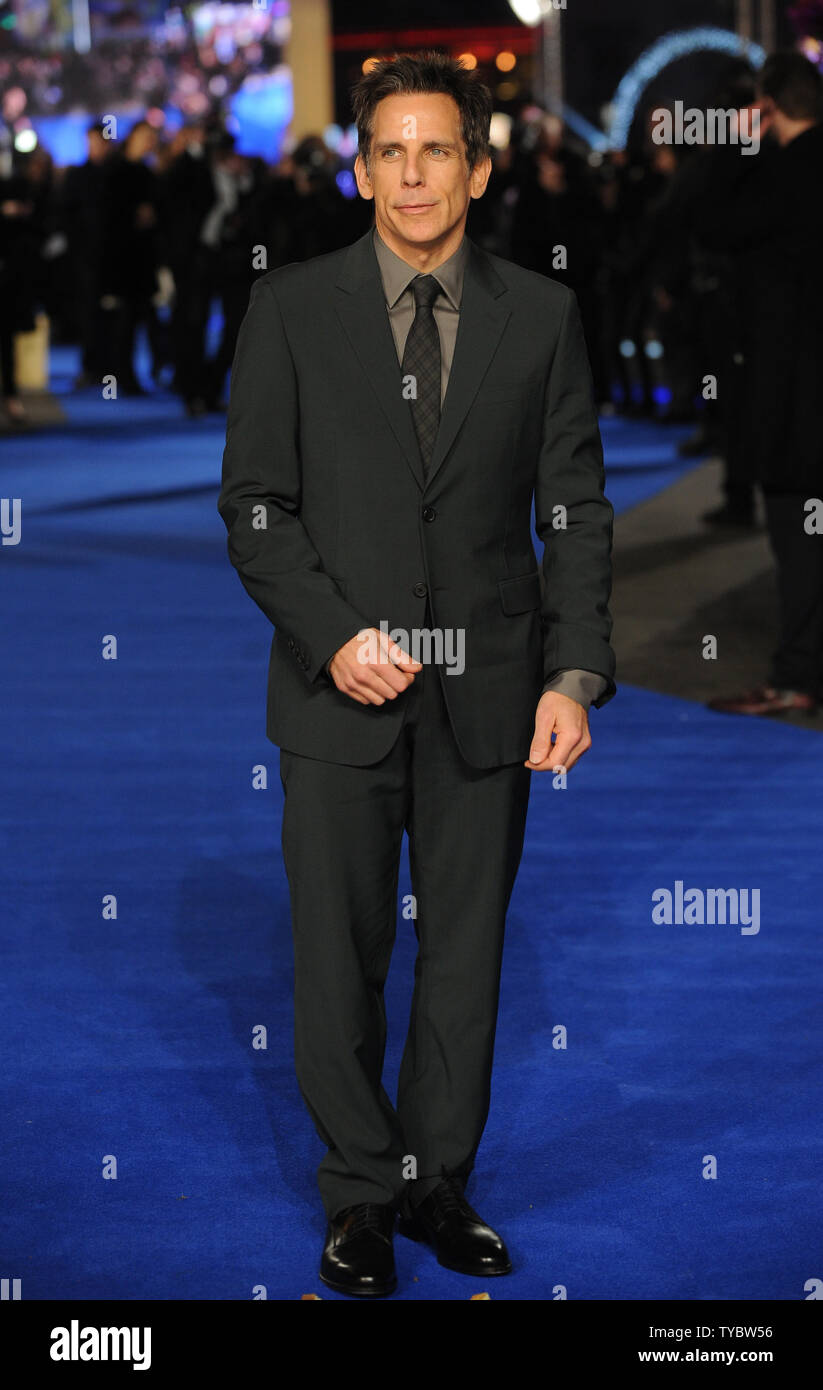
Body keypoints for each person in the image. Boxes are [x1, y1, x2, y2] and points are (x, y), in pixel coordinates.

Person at [218, 52, 616, 1298]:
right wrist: (335, 632)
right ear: (359, 170)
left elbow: (579, 512)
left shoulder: (540, 316)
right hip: (337, 690)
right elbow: (256, 508)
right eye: (389, 148)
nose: (412, 172)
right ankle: (356, 1196)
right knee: (336, 954)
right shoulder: (290, 308)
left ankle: (437, 1182)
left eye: (435, 148)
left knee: (465, 952)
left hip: (491, 692)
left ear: (479, 168)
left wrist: (575, 671)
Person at [700, 52, 823, 715]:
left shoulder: (776, 175)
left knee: (799, 544)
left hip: (794, 401)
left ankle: (796, 676)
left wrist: (737, 146)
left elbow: (708, 221)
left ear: (769, 109)